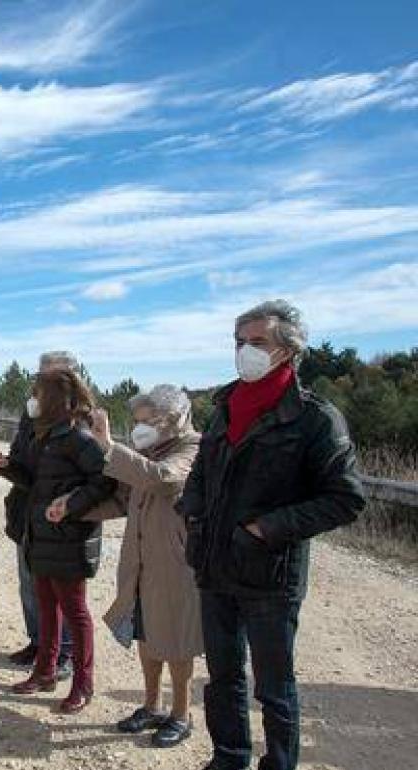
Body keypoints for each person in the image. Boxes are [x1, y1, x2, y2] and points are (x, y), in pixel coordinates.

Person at [180, 300, 365, 770]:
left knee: (274, 688)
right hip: (214, 565)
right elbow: (201, 472)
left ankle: (278, 763)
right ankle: (229, 757)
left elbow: (345, 498)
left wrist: (268, 528)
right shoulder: (224, 405)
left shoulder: (315, 418)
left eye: (257, 342)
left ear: (288, 349)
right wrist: (193, 515)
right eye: (240, 342)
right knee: (222, 678)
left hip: (270, 573)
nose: (245, 351)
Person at [92, 386, 202, 748]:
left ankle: (181, 714)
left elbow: (162, 478)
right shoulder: (148, 451)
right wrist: (73, 513)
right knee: (146, 632)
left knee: (177, 640)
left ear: (172, 420)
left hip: (174, 564)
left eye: (146, 421)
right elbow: (124, 500)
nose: (139, 429)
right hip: (141, 561)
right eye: (136, 422)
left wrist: (109, 447)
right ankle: (152, 705)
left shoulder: (191, 448)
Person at [10, 368, 116, 713]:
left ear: (53, 397)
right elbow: (37, 482)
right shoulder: (45, 434)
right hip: (42, 537)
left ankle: (83, 685)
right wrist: (7, 468)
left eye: (37, 392)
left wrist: (71, 504)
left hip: (69, 539)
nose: (33, 399)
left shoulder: (78, 436)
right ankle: (45, 672)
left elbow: (104, 481)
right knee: (46, 607)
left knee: (75, 612)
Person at [0, 350, 77, 677]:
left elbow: (90, 478)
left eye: (51, 376)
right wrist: (8, 466)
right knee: (29, 585)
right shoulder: (31, 415)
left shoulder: (79, 419)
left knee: (62, 591)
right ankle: (39, 641)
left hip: (60, 521)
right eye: (40, 375)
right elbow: (25, 465)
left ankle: (65, 653)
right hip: (26, 514)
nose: (42, 382)